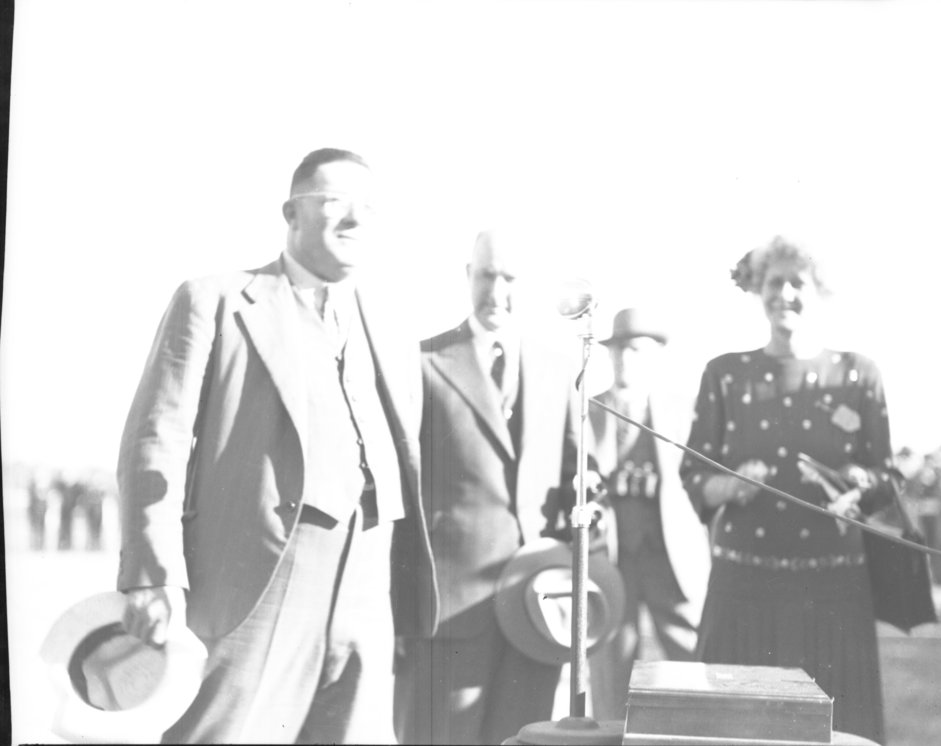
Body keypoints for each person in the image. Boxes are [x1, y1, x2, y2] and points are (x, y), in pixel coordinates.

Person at [116, 147, 436, 744]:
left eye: (368, 207)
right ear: (291, 213)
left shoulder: (392, 326)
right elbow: (156, 439)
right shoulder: (214, 299)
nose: (355, 218)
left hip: (368, 586)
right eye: (335, 201)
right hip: (257, 581)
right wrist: (153, 574)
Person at [680, 236, 900, 743]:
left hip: (833, 595)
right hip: (743, 592)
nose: (785, 294)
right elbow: (693, 475)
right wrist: (729, 486)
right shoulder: (724, 374)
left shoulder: (859, 375)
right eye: (774, 282)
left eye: (797, 282)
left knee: (837, 735)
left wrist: (858, 486)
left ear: (820, 290)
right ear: (757, 290)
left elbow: (887, 477)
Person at [394, 228, 587, 745]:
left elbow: (580, 475)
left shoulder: (559, 368)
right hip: (448, 613)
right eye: (486, 276)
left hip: (534, 610)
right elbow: (400, 491)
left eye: (510, 278)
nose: (496, 291)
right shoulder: (423, 363)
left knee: (525, 738)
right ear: (467, 276)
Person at [587, 308, 711, 721]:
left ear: (656, 355)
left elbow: (701, 480)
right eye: (619, 350)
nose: (626, 359)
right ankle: (610, 737)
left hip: (669, 556)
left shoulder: (683, 409)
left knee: (692, 656)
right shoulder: (589, 410)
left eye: (636, 350)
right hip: (612, 558)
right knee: (611, 665)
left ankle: (697, 733)